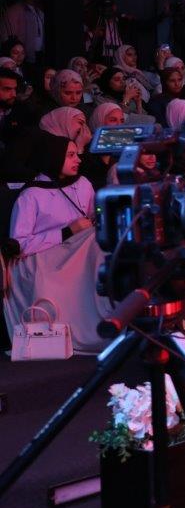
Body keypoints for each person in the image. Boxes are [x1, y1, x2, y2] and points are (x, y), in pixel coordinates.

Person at [5, 133, 110, 352]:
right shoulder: (31, 195)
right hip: (43, 257)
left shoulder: (83, 184)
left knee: (101, 242)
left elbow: (93, 217)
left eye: (77, 154)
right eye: (70, 155)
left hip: (79, 253)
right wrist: (66, 232)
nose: (78, 160)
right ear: (53, 157)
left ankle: (107, 323)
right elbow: (19, 244)